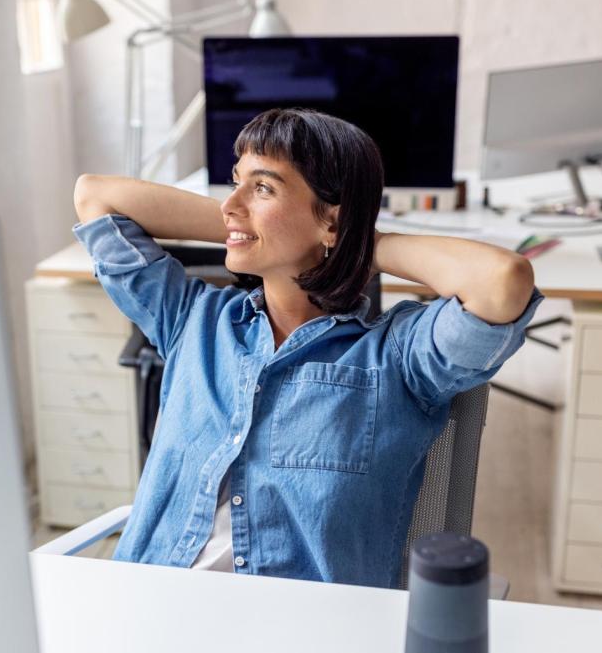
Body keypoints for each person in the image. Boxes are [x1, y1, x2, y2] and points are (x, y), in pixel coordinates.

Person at [72, 108, 542, 588]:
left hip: (302, 627)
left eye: (262, 188)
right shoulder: (194, 320)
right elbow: (95, 196)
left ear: (331, 221)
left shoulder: (398, 358)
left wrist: (357, 240)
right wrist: (246, 226)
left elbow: (503, 280)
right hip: (148, 605)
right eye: (236, 182)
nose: (230, 203)